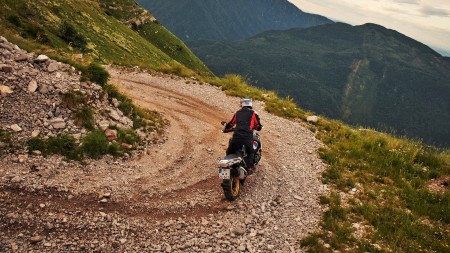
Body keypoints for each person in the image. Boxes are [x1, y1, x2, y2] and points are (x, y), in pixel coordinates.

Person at [224, 98, 262, 175]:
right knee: (251, 152)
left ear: (242, 104)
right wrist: (257, 127)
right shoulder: (253, 113)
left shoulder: (237, 113)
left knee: (229, 151)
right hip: (247, 138)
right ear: (250, 104)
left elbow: (231, 123)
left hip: (236, 138)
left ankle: (227, 166)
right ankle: (249, 168)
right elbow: (258, 126)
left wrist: (226, 129)